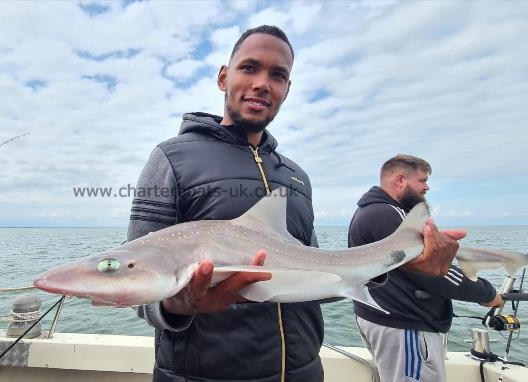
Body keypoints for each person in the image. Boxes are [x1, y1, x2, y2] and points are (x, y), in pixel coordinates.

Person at [127, 26, 461, 382]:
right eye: (249, 68)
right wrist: (174, 307)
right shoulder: (171, 159)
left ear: (287, 89)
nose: (262, 83)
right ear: (224, 78)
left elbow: (316, 279)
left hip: (302, 371)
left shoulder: (295, 177)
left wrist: (398, 266)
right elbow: (136, 277)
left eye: (278, 75)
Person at [348, 154, 503, 382]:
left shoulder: (370, 211)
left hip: (383, 318)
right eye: (422, 180)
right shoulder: (391, 216)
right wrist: (488, 294)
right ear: (401, 180)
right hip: (404, 324)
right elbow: (435, 271)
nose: (427, 187)